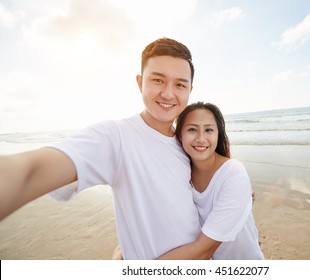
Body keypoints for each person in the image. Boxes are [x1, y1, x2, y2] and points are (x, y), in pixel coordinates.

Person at [0, 37, 204, 260]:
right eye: (158, 80)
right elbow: (32, 170)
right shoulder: (115, 136)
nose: (168, 93)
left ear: (190, 90)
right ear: (140, 82)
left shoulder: (190, 142)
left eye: (180, 84)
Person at [158, 102, 264, 259]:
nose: (201, 138)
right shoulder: (180, 175)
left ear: (218, 135)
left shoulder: (233, 173)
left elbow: (204, 250)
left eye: (209, 130)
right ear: (180, 135)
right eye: (192, 129)